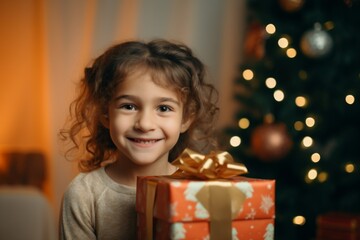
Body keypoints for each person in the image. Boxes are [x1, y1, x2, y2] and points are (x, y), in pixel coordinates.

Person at [59, 39, 219, 239]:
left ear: (185, 119)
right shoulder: (84, 195)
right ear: (106, 115)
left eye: (163, 108)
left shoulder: (200, 189)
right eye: (129, 106)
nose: (144, 124)